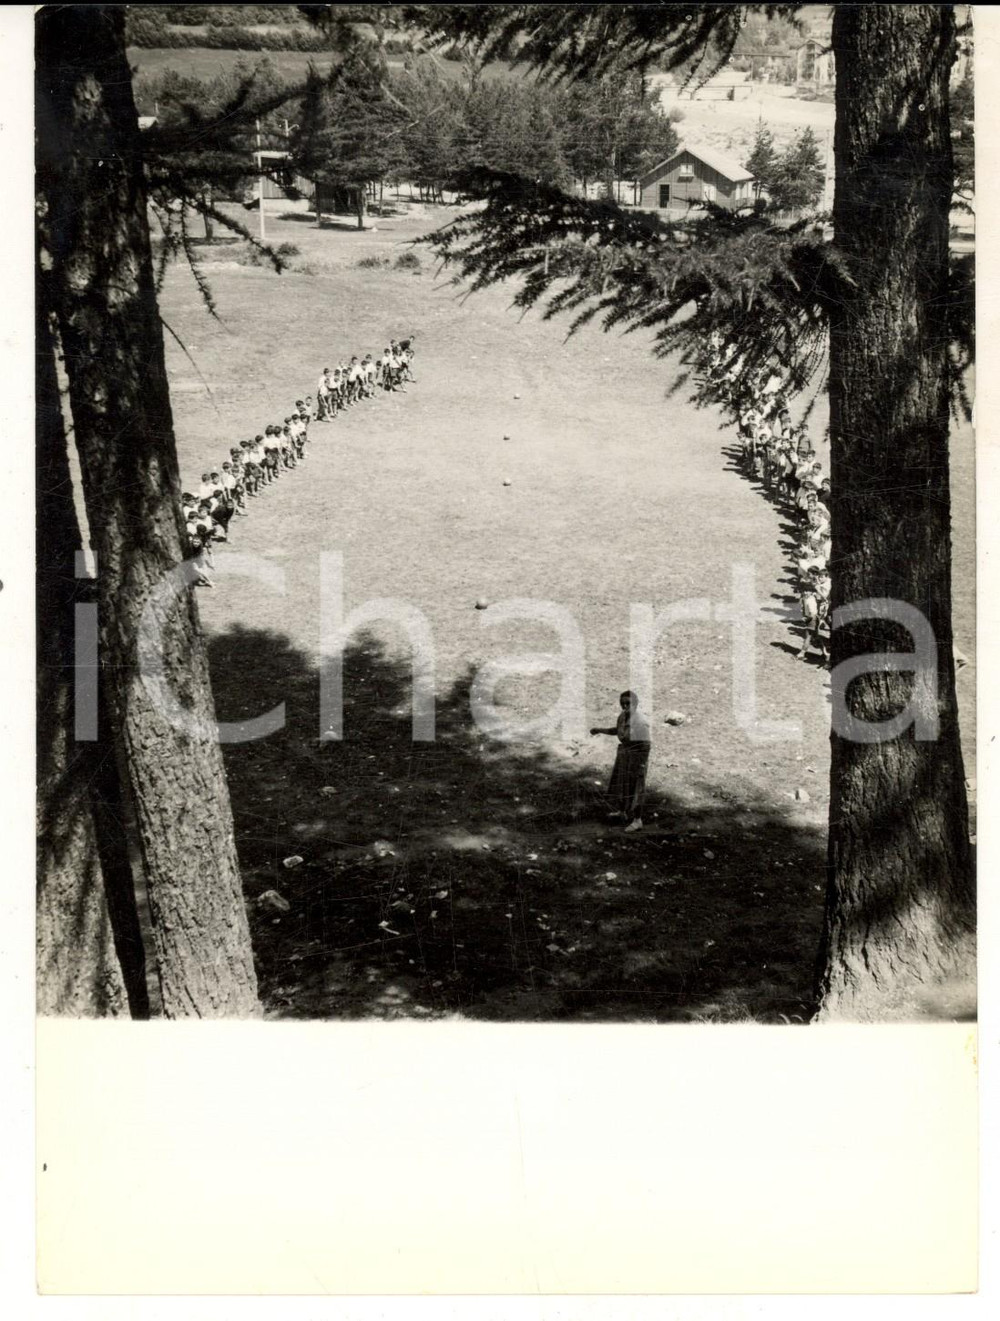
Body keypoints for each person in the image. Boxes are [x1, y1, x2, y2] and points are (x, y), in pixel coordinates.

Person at [591, 690, 651, 831]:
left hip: (637, 758)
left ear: (635, 704)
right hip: (625, 755)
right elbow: (617, 730)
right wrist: (599, 730)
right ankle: (622, 812)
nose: (624, 706)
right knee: (622, 784)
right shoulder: (622, 717)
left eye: (627, 703)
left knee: (635, 787)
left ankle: (637, 820)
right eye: (622, 703)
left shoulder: (640, 722)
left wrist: (641, 764)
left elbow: (646, 744)